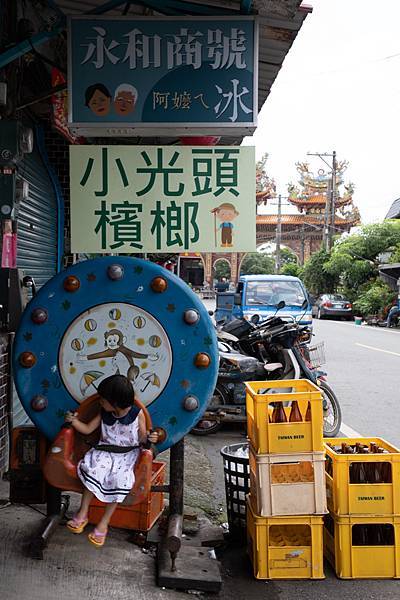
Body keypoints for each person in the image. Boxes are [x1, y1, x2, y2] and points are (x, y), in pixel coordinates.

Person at [65, 374, 158, 546]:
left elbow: (142, 437)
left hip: (126, 455)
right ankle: (83, 512)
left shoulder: (138, 415)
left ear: (115, 402)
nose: (100, 401)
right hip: (104, 451)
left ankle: (103, 523)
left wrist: (151, 438)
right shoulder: (104, 414)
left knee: (120, 479)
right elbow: (86, 429)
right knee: (94, 468)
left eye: (104, 399)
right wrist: (73, 422)